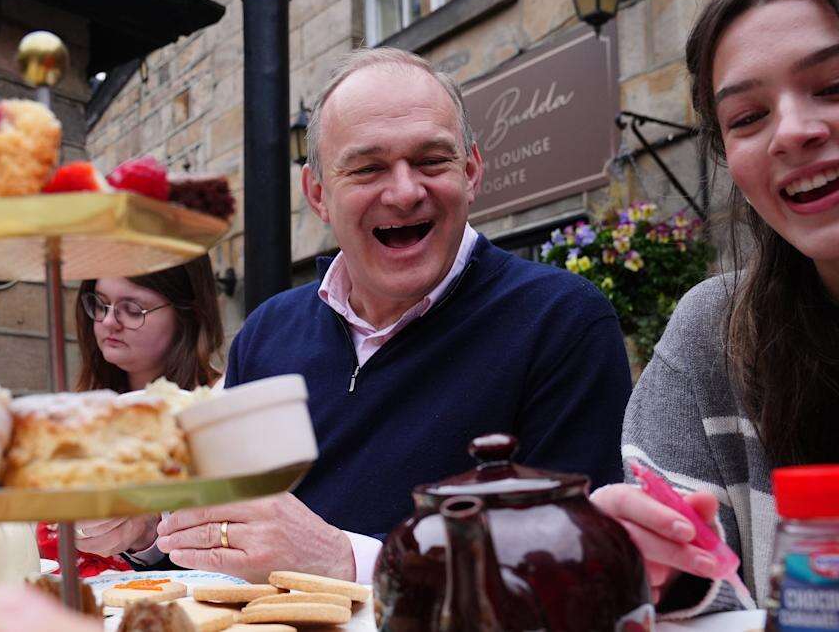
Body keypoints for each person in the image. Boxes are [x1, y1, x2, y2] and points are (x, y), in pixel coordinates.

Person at [150, 48, 634, 584]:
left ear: (471, 171)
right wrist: (149, 526)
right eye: (368, 167)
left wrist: (346, 561)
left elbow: (574, 564)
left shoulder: (561, 321)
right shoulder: (267, 332)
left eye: (432, 161)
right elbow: (222, 521)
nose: (405, 192)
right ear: (317, 194)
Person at [591, 0, 839, 619]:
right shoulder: (716, 332)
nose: (793, 131)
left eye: (834, 85)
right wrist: (668, 574)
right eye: (748, 116)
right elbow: (695, 588)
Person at [66, 256, 226, 565]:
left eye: (132, 309)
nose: (109, 322)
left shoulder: (216, 409)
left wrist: (145, 532)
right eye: (100, 304)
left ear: (187, 314)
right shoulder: (80, 408)